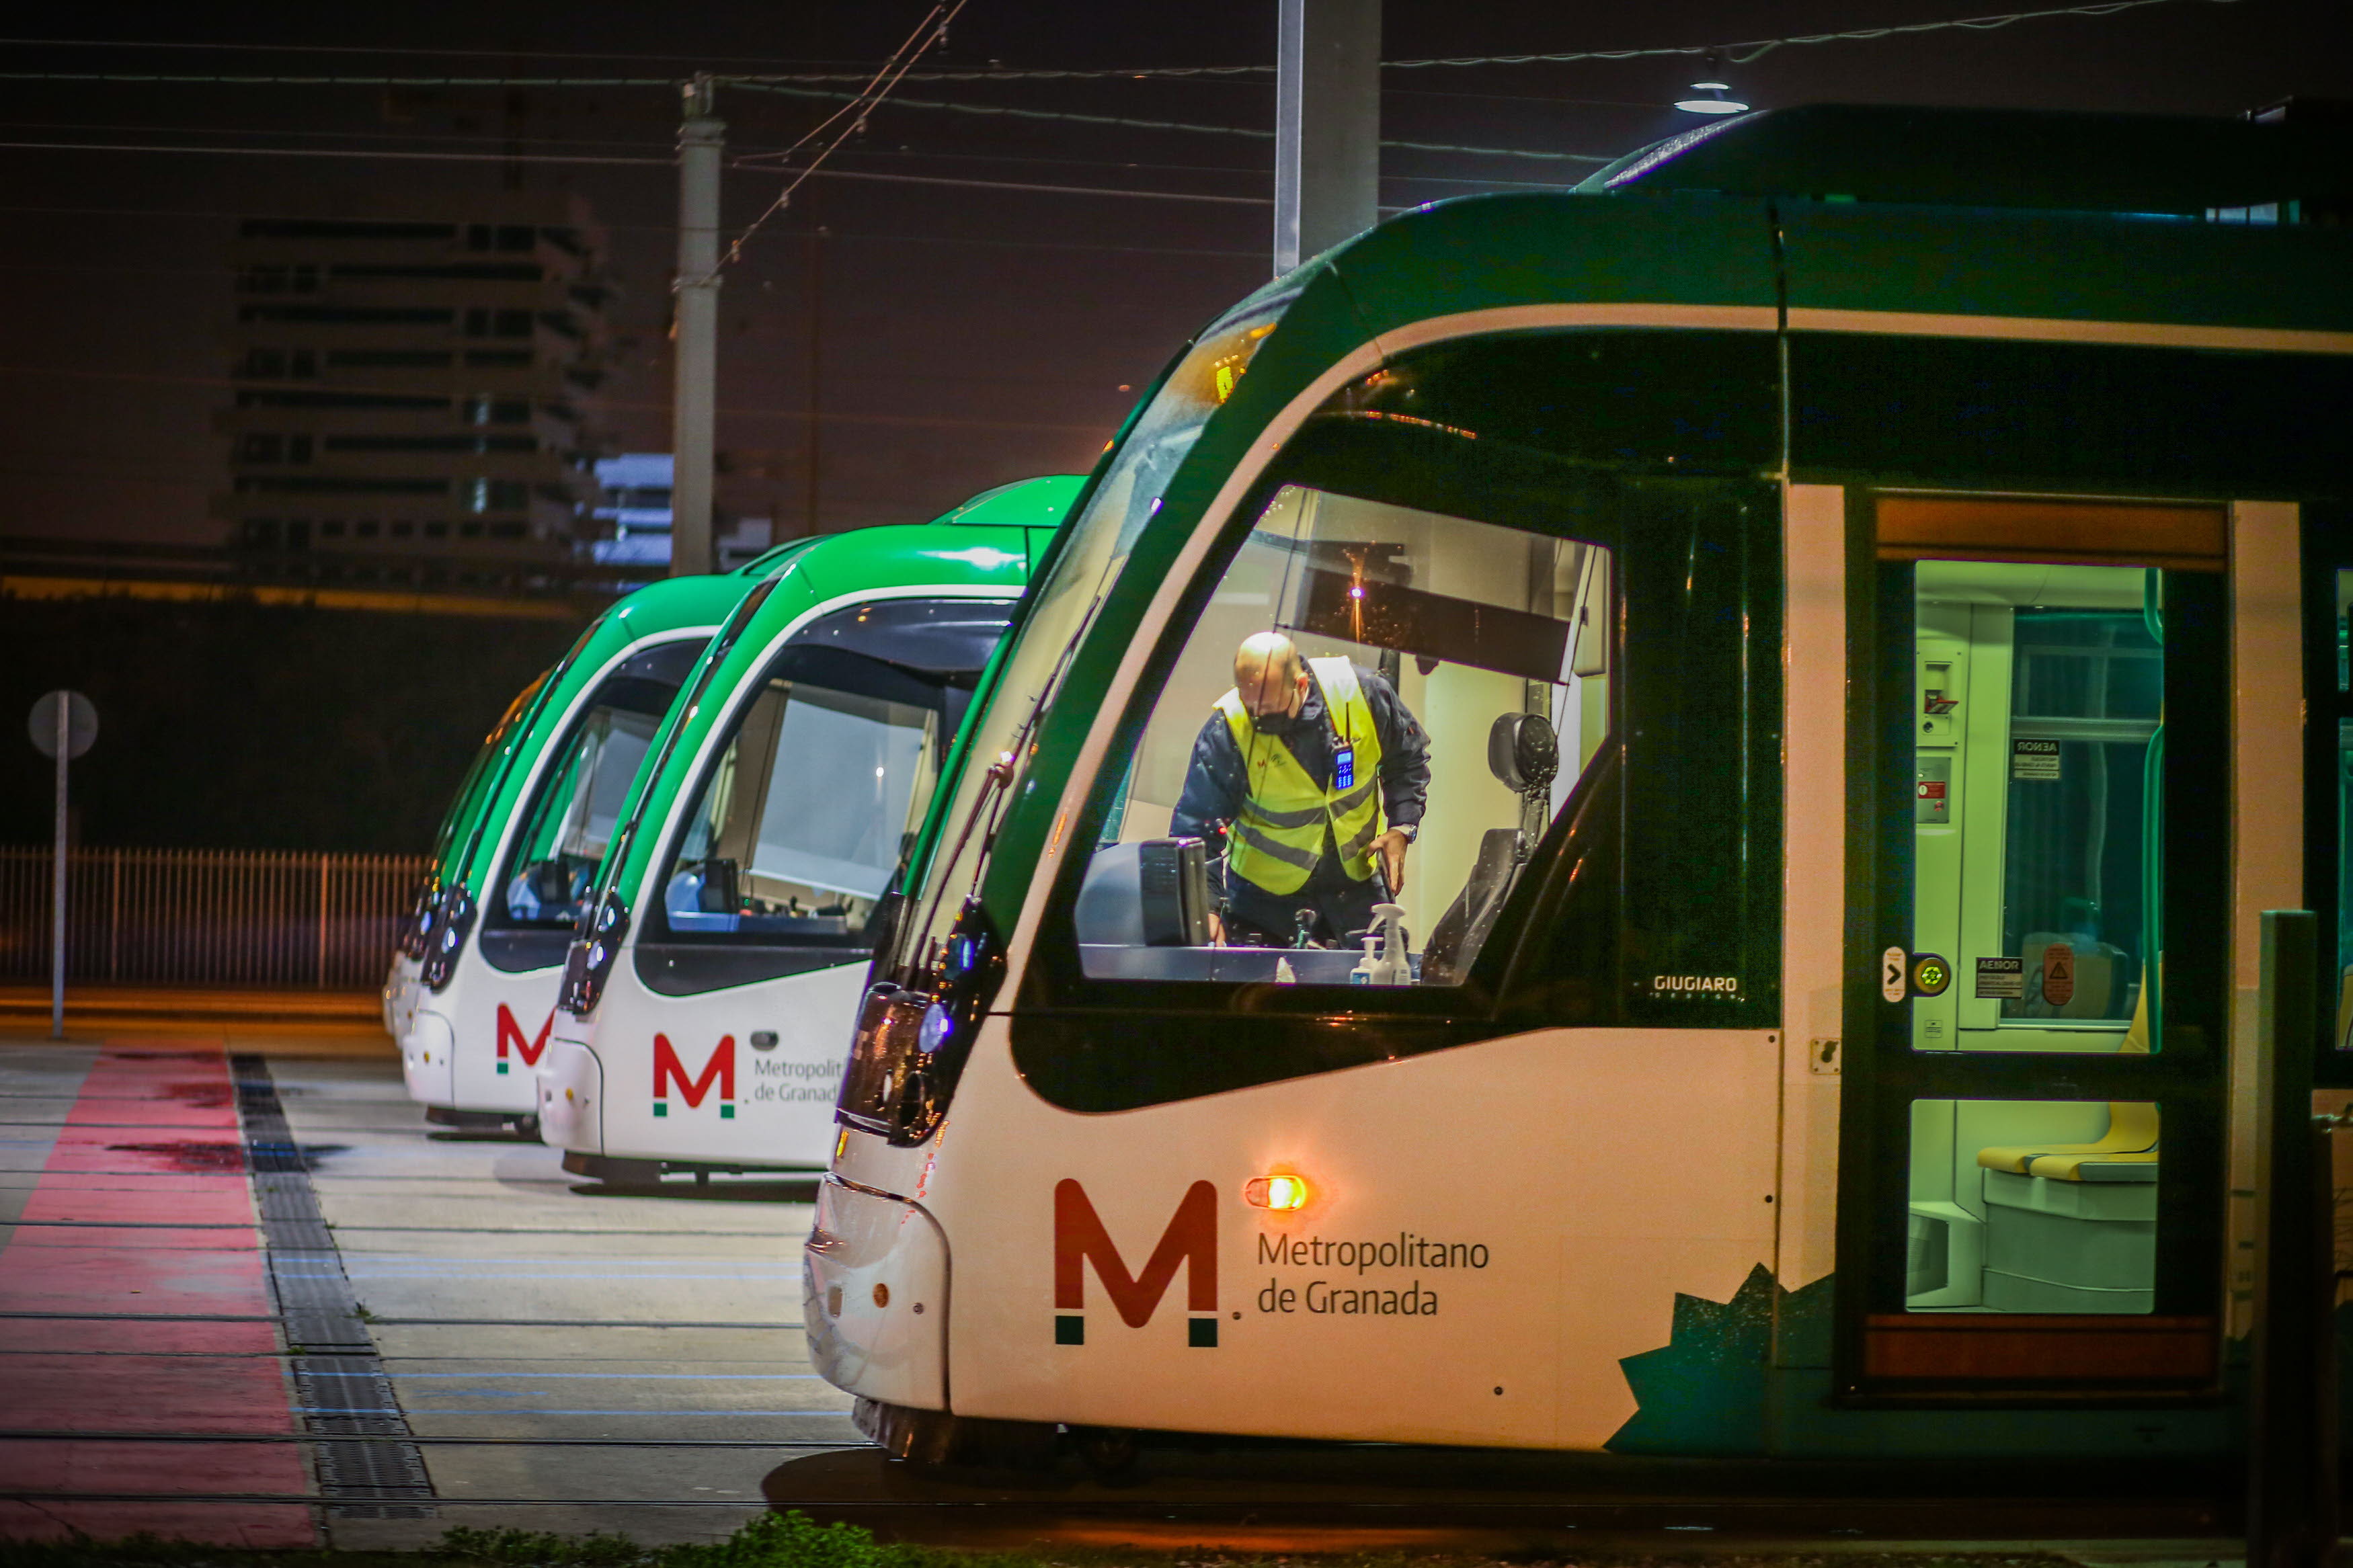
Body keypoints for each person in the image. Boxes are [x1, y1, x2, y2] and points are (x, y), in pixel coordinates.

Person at [1172, 630, 1431, 946]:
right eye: (1251, 707)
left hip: (1357, 889)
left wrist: (1403, 827)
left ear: (1302, 685)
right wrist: (1207, 908)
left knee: (1376, 974)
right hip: (1262, 902)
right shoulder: (1227, 730)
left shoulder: (1364, 694)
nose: (1259, 719)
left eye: (1270, 709)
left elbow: (1408, 759)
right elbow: (1196, 828)